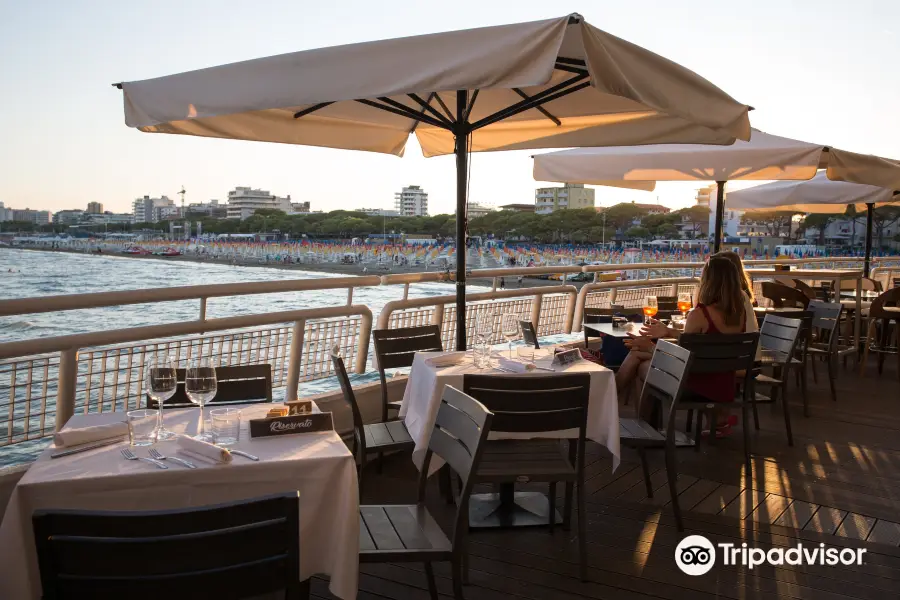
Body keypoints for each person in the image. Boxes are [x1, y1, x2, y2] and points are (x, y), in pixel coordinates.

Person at [615, 256, 751, 435]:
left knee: (643, 365)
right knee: (639, 356)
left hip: (696, 386)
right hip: (724, 385)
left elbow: (681, 359)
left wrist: (649, 347)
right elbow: (701, 345)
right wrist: (667, 335)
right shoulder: (739, 315)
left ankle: (633, 419)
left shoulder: (699, 315)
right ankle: (642, 424)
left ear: (708, 281)